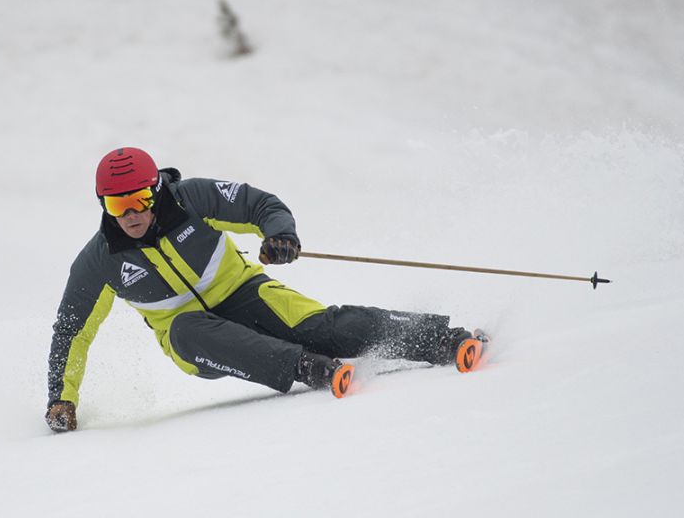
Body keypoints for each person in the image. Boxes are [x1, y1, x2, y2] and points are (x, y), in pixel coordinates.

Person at [45, 147, 484, 433]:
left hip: (246, 292)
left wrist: (280, 235)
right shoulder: (100, 260)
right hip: (197, 338)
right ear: (102, 204)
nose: (131, 214)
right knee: (184, 330)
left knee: (322, 326)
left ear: (156, 189)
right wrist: (61, 400)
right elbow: (71, 330)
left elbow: (259, 204)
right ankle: (309, 369)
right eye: (117, 204)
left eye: (140, 198)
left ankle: (441, 339)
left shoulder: (191, 199)